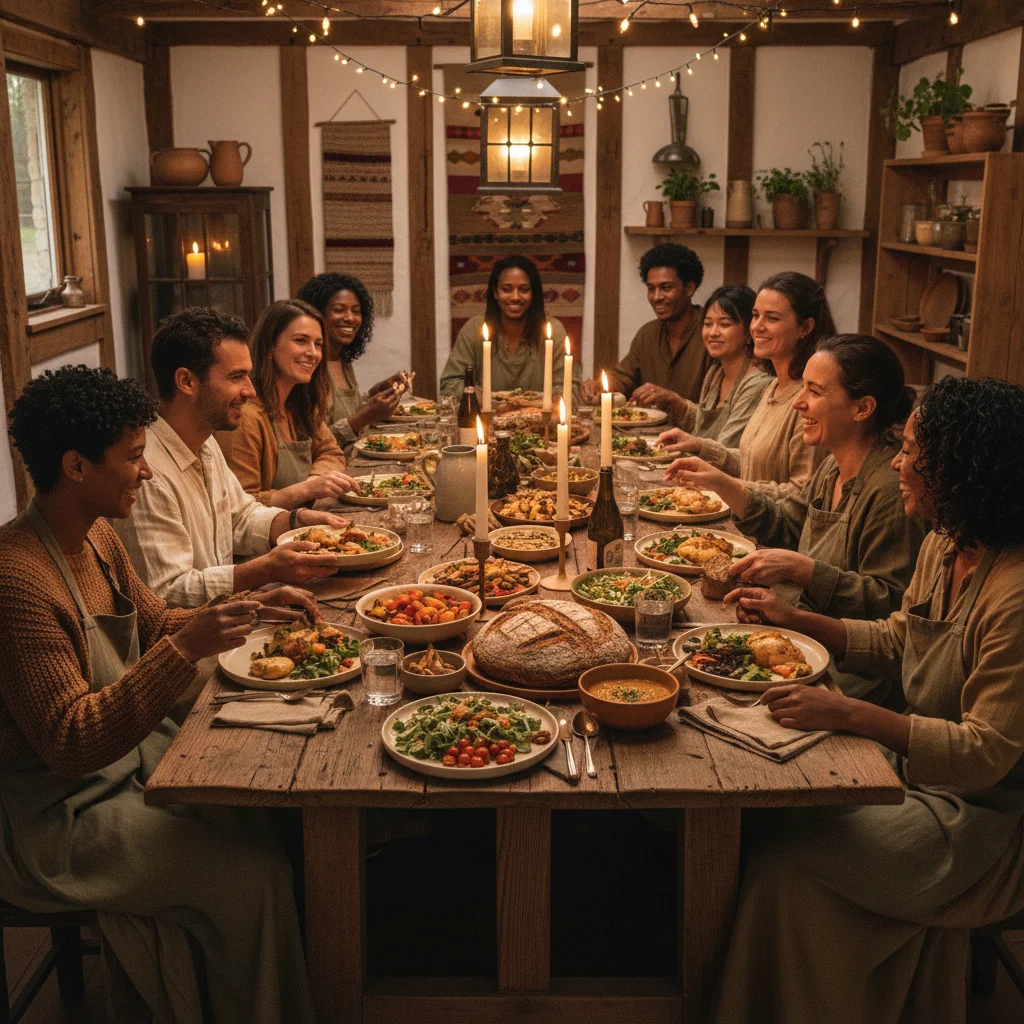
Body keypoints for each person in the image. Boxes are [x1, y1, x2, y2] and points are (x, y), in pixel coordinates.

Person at [0, 365, 315, 1024]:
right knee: (251, 880)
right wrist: (185, 648)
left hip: (128, 763)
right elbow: (71, 741)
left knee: (269, 815)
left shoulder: (96, 535)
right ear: (77, 466)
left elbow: (159, 624)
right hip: (58, 815)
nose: (147, 472)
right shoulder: (18, 580)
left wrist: (251, 605)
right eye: (135, 457)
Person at [717, 376, 1024, 1024]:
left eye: (913, 452)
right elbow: (900, 638)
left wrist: (850, 714)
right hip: (916, 781)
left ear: (964, 469)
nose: (899, 464)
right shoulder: (948, 543)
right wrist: (794, 621)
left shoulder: (1014, 593)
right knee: (772, 813)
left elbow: (986, 752)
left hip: (986, 822)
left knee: (787, 867)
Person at [666, 334, 928, 699]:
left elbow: (891, 603)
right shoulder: (831, 469)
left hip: (852, 677)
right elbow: (791, 527)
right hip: (803, 641)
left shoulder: (888, 490)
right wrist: (722, 483)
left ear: (862, 408)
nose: (798, 404)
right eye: (801, 388)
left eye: (815, 392)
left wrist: (805, 571)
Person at [113, 307, 345, 609]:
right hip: (185, 648)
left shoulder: (204, 442)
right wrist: (263, 570)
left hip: (223, 620)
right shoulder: (147, 472)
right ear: (186, 381)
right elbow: (167, 591)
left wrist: (295, 521)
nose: (249, 390)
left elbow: (241, 516)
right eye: (236, 377)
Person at [660, 271, 833, 500]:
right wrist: (701, 446)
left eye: (772, 318)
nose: (757, 327)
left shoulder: (807, 399)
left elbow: (804, 494)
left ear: (806, 327)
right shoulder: (773, 387)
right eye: (755, 315)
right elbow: (755, 464)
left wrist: (727, 484)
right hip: (748, 521)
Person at [216, 298, 357, 509]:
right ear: (270, 346)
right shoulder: (245, 416)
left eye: (318, 344)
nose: (313, 353)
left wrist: (314, 481)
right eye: (301, 340)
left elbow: (331, 452)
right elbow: (240, 507)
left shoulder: (298, 404)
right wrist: (306, 491)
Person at [579, 243, 708, 408]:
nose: (656, 297)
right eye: (651, 289)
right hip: (649, 432)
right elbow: (623, 378)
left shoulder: (711, 334)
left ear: (689, 288)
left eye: (666, 288)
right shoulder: (648, 334)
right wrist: (599, 387)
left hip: (697, 432)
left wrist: (675, 401)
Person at [439, 254, 579, 398]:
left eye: (524, 290)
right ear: (495, 292)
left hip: (538, 416)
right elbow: (449, 383)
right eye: (506, 289)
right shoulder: (475, 329)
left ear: (534, 293)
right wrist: (472, 394)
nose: (515, 297)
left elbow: (568, 387)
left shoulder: (552, 330)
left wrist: (559, 395)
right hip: (485, 417)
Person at [298, 272, 414, 444]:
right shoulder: (309, 366)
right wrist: (364, 417)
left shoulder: (342, 360)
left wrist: (381, 390)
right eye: (339, 310)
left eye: (356, 311)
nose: (350, 318)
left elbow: (349, 411)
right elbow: (314, 445)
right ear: (317, 315)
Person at [670, 284, 773, 439]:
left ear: (748, 332)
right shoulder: (716, 372)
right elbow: (701, 428)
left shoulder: (757, 383)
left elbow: (728, 445)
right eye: (708, 324)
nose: (713, 333)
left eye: (724, 324)